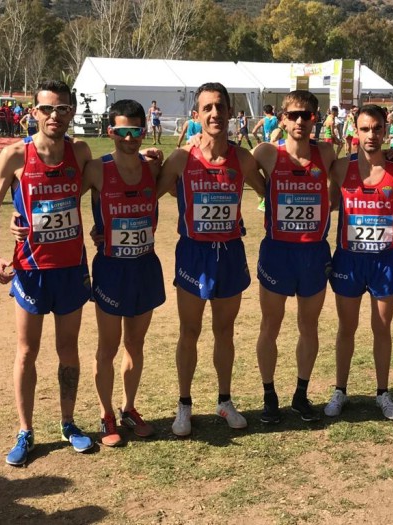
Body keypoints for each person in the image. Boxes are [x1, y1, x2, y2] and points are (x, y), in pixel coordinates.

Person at [0, 80, 94, 466]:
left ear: (71, 113)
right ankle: (25, 430)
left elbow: (105, 181)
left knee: (68, 350)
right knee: (27, 351)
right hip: (30, 269)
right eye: (47, 109)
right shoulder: (15, 155)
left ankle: (68, 422)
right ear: (33, 112)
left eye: (62, 109)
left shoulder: (80, 152)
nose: (54, 116)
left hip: (71, 268)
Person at [157, 82, 265, 437]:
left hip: (230, 252)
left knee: (225, 330)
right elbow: (144, 194)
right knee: (190, 330)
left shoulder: (243, 159)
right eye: (208, 108)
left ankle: (224, 400)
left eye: (220, 107)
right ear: (197, 115)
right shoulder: (181, 158)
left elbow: (273, 191)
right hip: (193, 253)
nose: (215, 114)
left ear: (231, 113)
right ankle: (184, 405)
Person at [324, 105, 393, 420]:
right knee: (346, 328)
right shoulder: (339, 168)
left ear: (385, 129)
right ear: (355, 130)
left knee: (382, 328)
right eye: (365, 129)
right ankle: (340, 391)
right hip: (349, 260)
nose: (371, 135)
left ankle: (382, 392)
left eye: (377, 128)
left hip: (384, 261)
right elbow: (323, 199)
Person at [251, 90, 337, 423]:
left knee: (309, 326)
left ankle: (301, 395)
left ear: (316, 118)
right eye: (294, 115)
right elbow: (227, 159)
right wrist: (264, 192)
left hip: (314, 252)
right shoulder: (267, 154)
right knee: (270, 325)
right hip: (278, 252)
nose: (300, 121)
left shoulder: (327, 153)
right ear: (283, 118)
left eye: (307, 115)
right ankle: (269, 396)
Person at [83, 99, 166, 446]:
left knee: (136, 343)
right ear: (110, 132)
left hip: (145, 265)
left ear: (143, 131)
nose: (129, 138)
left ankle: (129, 407)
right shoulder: (97, 169)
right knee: (108, 346)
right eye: (122, 131)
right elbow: (60, 198)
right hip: (112, 268)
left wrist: (156, 156)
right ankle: (105, 415)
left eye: (135, 131)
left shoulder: (153, 167)